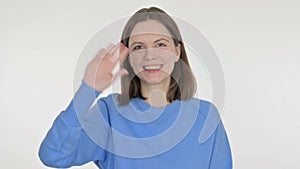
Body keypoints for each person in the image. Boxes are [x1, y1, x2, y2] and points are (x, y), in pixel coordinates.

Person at [39, 7, 232, 169]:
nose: (150, 55)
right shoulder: (109, 113)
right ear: (128, 57)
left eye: (160, 44)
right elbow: (54, 156)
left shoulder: (206, 116)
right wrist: (88, 89)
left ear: (177, 51)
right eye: (139, 47)